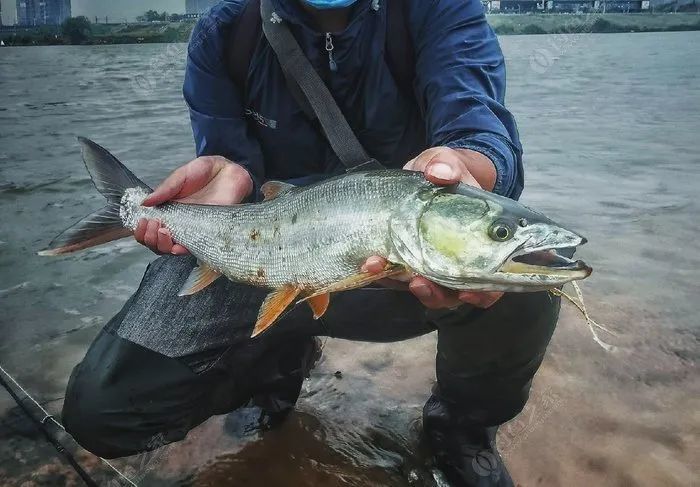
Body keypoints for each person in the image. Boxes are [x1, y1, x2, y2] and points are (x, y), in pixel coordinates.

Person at [61, 0, 561, 485]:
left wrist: (467, 164)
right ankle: (275, 369)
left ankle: (462, 428)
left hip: (397, 269)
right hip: (260, 251)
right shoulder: (225, 31)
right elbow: (228, 161)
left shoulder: (438, 8)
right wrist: (224, 174)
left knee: (530, 276)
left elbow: (479, 126)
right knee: (101, 410)